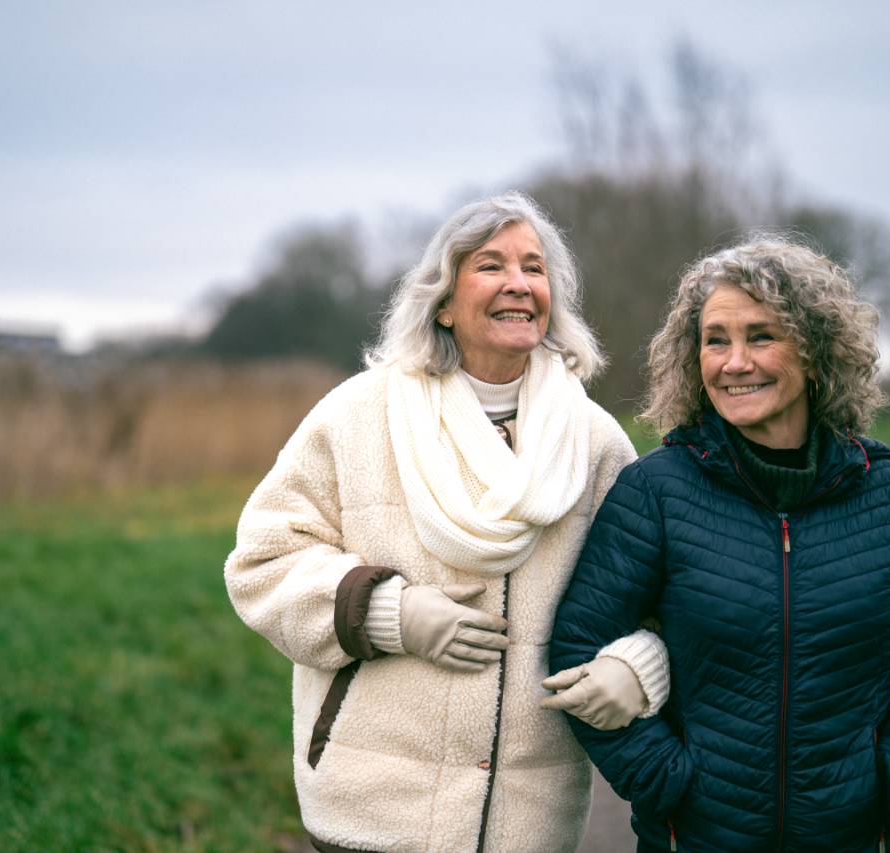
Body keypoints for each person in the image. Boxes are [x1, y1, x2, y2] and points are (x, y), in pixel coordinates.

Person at [225, 193, 670, 853]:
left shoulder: (594, 441)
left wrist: (640, 664)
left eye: (535, 267)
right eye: (491, 265)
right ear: (442, 299)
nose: (519, 283)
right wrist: (390, 613)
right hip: (372, 806)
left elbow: (662, 592)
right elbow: (262, 563)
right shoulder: (355, 415)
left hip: (533, 816)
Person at [547, 237, 890, 852]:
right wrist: (667, 782)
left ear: (816, 352)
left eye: (760, 336)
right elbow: (574, 650)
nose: (734, 361)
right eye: (715, 339)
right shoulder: (656, 492)